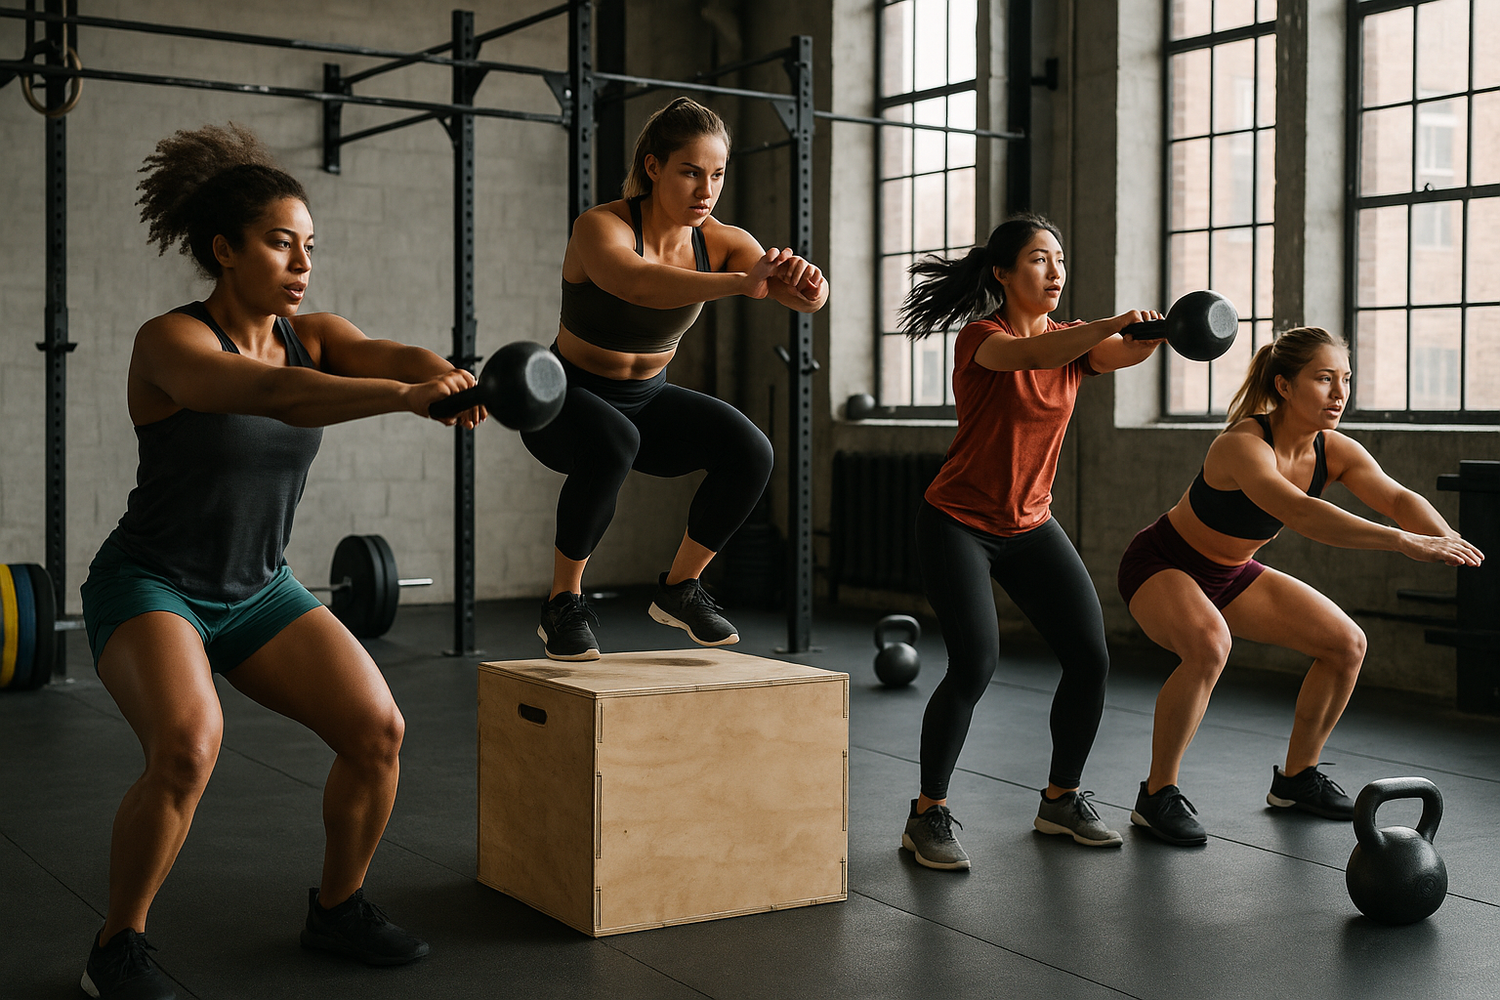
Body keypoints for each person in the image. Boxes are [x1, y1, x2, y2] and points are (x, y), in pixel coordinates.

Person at [78, 123, 482, 1000]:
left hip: (260, 589)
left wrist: (454, 377)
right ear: (224, 250)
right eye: (279, 243)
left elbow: (397, 356)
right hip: (155, 583)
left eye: (310, 247)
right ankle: (116, 945)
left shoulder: (318, 333)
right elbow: (275, 394)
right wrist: (409, 398)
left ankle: (338, 910)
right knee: (187, 747)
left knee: (378, 732)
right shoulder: (170, 344)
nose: (302, 264)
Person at [1119, 326, 1484, 847]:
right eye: (1324, 379)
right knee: (1208, 645)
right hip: (1163, 562)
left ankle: (1296, 780)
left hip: (1232, 573)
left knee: (1345, 644)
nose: (1339, 393)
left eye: (1346, 380)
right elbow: (1302, 512)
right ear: (1286, 386)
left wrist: (1444, 536)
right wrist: (1404, 543)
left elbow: (1399, 498)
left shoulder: (1335, 451)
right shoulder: (1242, 444)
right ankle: (1157, 795)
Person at [896, 214, 1165, 870]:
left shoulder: (1075, 342)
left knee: (1089, 657)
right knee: (975, 664)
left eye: (1061, 261)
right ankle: (927, 813)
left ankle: (1060, 799)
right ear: (1003, 273)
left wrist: (1163, 330)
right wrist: (1113, 321)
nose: (1055, 273)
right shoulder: (981, 339)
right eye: (1040, 261)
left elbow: (1121, 353)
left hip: (1029, 525)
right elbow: (1040, 353)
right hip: (958, 521)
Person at [522, 97, 827, 661]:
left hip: (646, 399)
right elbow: (638, 283)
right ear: (653, 166)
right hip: (563, 398)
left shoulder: (722, 241)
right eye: (690, 172)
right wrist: (740, 281)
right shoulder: (600, 226)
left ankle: (679, 588)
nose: (704, 191)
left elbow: (788, 292)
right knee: (615, 439)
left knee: (750, 450)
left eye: (716, 176)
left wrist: (810, 286)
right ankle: (562, 602)